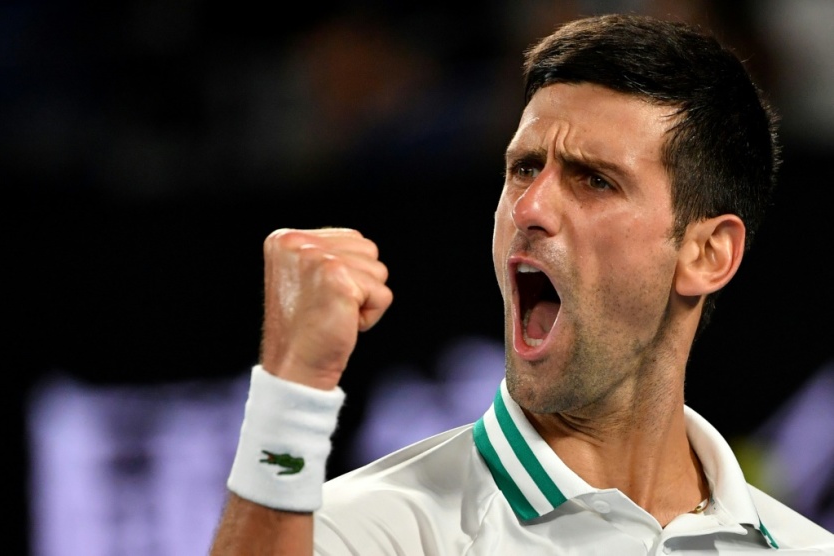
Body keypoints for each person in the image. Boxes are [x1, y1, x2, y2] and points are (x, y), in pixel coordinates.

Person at [209, 13, 834, 554]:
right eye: (525, 168)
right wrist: (290, 392)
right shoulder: (368, 531)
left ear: (706, 254)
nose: (529, 207)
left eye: (594, 180)